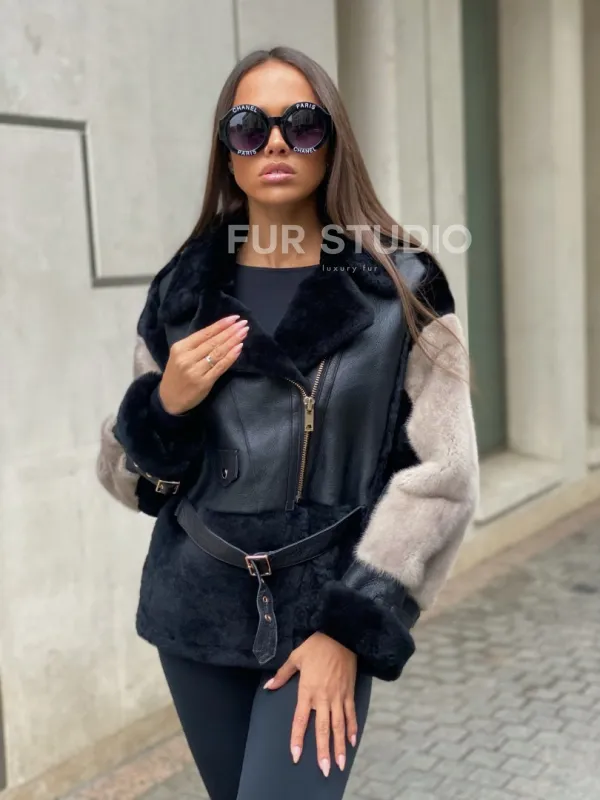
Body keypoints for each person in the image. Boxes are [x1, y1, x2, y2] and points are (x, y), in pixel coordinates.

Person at [97, 45, 479, 800]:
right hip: (196, 609)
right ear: (228, 152)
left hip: (322, 614)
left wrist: (350, 627)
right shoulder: (184, 287)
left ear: (332, 141)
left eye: (301, 124)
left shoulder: (402, 286)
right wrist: (165, 405)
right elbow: (131, 482)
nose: (274, 143)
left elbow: (444, 478)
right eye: (249, 127)